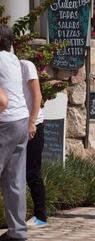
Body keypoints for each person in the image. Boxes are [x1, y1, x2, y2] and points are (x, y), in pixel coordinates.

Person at [0, 24, 29, 241]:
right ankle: (18, 231)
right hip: (21, 120)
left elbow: (2, 101)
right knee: (15, 180)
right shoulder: (13, 60)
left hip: (5, 123)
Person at [20, 59, 48, 228]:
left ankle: (41, 216)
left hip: (33, 125)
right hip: (16, 123)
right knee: (15, 174)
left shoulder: (26, 66)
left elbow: (37, 95)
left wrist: (32, 122)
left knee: (32, 172)